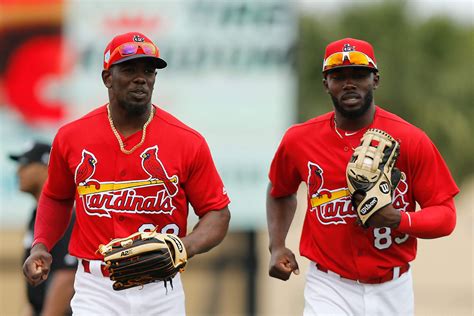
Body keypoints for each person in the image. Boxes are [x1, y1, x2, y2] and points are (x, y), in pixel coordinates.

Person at [22, 32, 231, 315]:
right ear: (107, 77)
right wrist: (41, 245)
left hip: (162, 288)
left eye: (149, 71)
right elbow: (56, 197)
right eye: (129, 69)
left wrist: (185, 246)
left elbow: (217, 212)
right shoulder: (72, 137)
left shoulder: (187, 141)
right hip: (96, 287)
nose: (141, 78)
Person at [266, 38, 459, 315]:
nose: (349, 83)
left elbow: (445, 215)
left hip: (393, 286)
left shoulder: (410, 140)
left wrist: (398, 219)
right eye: (338, 76)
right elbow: (279, 190)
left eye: (358, 74)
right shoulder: (300, 139)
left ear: (375, 79)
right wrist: (277, 245)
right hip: (328, 285)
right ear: (325, 84)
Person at [9, 142, 77, 316]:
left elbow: (67, 277)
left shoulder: (65, 215)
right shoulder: (36, 215)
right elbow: (36, 290)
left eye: (25, 164)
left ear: (44, 167)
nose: (18, 172)